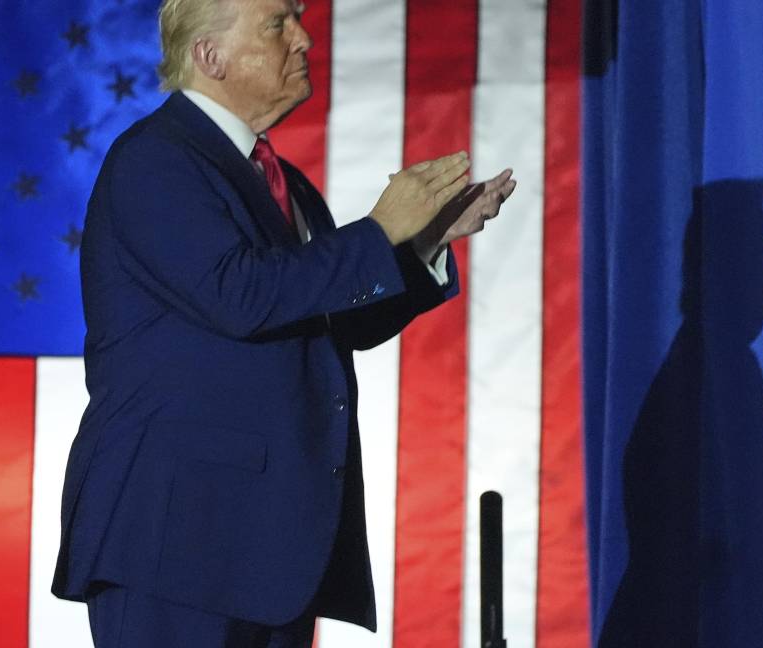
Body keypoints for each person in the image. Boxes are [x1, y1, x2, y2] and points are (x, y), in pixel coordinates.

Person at [50, 0, 517, 645]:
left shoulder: (284, 183)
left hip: (269, 548)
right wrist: (378, 232)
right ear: (209, 56)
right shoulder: (155, 160)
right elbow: (238, 294)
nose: (303, 39)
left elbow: (327, 320)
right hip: (175, 543)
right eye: (277, 22)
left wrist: (419, 246)